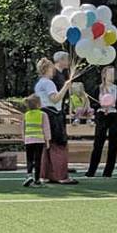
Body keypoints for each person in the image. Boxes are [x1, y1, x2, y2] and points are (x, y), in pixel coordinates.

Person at [34, 56, 79, 185]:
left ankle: (46, 174)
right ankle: (61, 176)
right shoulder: (48, 83)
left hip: (43, 113)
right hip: (53, 114)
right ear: (47, 69)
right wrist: (65, 86)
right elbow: (55, 99)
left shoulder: (39, 83)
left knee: (47, 145)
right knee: (59, 144)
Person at [86, 66, 117, 178]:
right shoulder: (99, 88)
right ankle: (91, 170)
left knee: (113, 144)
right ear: (104, 75)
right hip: (102, 116)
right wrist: (101, 105)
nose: (112, 76)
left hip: (113, 115)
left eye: (113, 73)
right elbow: (93, 104)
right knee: (98, 143)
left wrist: (113, 105)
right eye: (110, 73)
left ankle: (108, 171)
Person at [21, 94, 51, 188]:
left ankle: (29, 175)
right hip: (39, 139)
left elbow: (23, 128)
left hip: (29, 140)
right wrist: (48, 140)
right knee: (38, 159)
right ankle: (37, 179)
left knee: (29, 159)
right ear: (38, 104)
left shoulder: (26, 115)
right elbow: (46, 128)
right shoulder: (43, 114)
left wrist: (24, 139)